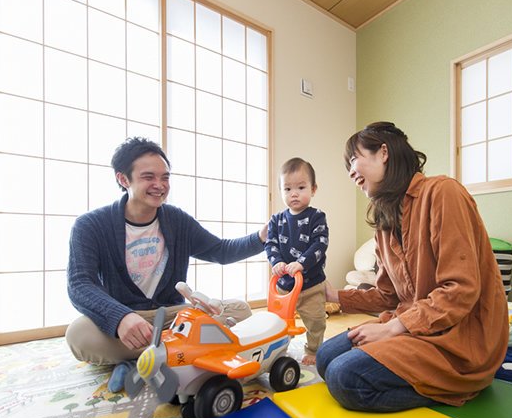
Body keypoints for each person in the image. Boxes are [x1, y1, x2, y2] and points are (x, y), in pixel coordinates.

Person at [318, 122, 508, 412]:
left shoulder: (442, 192)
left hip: (458, 338)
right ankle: (424, 377)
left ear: (383, 152)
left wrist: (394, 328)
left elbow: (461, 288)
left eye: (353, 159)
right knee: (325, 357)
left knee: (344, 377)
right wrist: (335, 296)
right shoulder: (383, 221)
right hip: (414, 326)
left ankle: (460, 385)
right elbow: (388, 296)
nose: (350, 172)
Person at [66, 137, 267, 391]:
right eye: (149, 177)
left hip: (171, 316)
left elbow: (220, 251)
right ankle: (171, 355)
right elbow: (79, 284)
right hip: (128, 319)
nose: (159, 185)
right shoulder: (90, 225)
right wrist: (121, 318)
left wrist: (261, 238)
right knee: (78, 335)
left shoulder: (176, 220)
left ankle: (142, 359)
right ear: (123, 179)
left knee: (241, 310)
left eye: (165, 178)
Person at [265, 158, 329, 366]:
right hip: (284, 287)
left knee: (316, 320)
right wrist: (276, 262)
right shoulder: (276, 220)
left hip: (311, 285)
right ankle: (279, 349)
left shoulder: (317, 217)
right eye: (287, 189)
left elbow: (320, 244)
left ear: (313, 189)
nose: (294, 193)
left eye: (301, 187)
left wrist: (301, 263)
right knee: (279, 322)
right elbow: (271, 244)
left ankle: (313, 349)